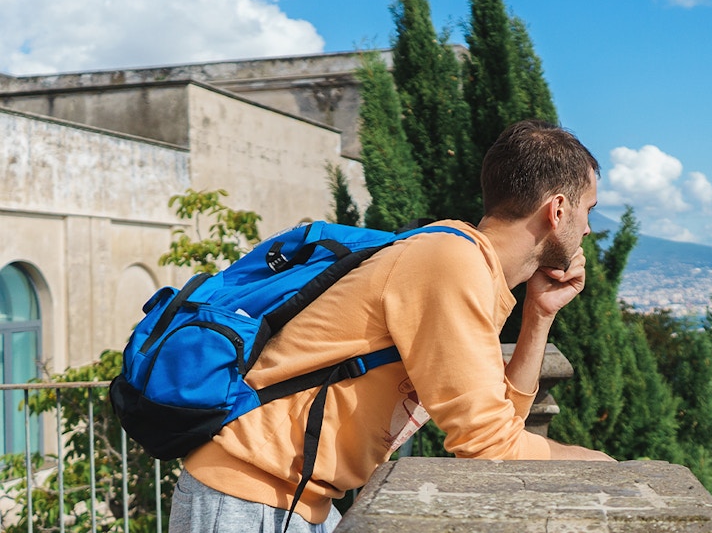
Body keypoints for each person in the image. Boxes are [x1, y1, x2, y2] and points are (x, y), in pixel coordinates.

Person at [169, 119, 614, 533]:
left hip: (297, 501)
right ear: (557, 210)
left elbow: (500, 427)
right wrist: (605, 466)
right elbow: (490, 448)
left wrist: (538, 315)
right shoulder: (450, 262)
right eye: (588, 210)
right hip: (249, 496)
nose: (589, 229)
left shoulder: (467, 265)